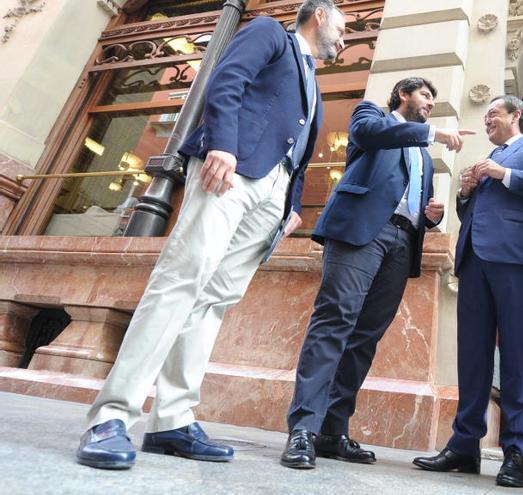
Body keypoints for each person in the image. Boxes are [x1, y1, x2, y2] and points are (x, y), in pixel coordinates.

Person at [74, 1, 346, 470]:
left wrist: (292, 207)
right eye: (341, 27)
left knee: (215, 300)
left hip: (271, 196)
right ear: (318, 15)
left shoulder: (313, 81)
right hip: (231, 170)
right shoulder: (267, 32)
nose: (344, 38)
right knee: (182, 280)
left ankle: (172, 421)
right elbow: (227, 80)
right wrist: (222, 141)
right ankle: (111, 415)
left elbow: (299, 149)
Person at [280, 77, 475, 469]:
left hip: (401, 246)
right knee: (334, 322)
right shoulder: (371, 115)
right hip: (360, 234)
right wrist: (434, 132)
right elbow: (370, 134)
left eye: (434, 99)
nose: (430, 103)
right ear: (403, 94)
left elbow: (408, 201)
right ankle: (303, 428)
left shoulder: (422, 155)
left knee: (365, 338)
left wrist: (428, 216)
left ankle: (332, 433)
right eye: (425, 95)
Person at [412, 95, 523, 488]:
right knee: (472, 357)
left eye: (494, 113)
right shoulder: (485, 162)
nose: (488, 120)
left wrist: (503, 174)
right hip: (474, 259)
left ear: (516, 115)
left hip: (514, 258)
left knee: (515, 354)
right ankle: (464, 446)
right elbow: (472, 213)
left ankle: (516, 452)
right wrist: (465, 192)